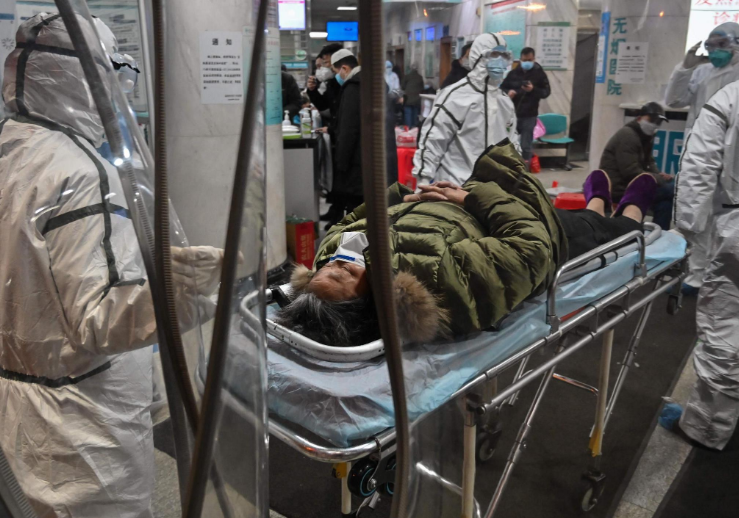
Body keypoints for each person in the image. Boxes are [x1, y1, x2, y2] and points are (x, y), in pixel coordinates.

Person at [0, 14, 223, 517]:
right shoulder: (80, 172)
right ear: (83, 79)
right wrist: (188, 290)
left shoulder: (12, 145)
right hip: (80, 427)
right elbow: (97, 320)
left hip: (19, 407)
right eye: (113, 75)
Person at [276, 141, 657, 345]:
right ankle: (630, 212)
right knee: (595, 228)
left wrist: (402, 198)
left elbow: (349, 222)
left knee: (585, 216)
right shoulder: (440, 284)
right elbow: (531, 246)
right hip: (519, 221)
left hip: (460, 204)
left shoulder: (331, 253)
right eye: (342, 276)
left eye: (325, 270)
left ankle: (597, 201)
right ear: (368, 306)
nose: (336, 263)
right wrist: (472, 200)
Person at [669, 80, 739, 450]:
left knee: (726, 327)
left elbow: (699, 167)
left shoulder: (731, 98)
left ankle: (705, 427)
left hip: (736, 228)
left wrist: (684, 234)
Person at [665, 22, 739, 294]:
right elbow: (674, 100)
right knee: (698, 215)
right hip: (700, 153)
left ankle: (722, 277)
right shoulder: (702, 72)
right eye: (710, 45)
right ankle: (696, 275)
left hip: (733, 157)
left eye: (722, 45)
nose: (715, 51)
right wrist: (684, 68)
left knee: (728, 217)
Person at [412, 33, 520, 185]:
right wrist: (422, 180)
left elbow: (513, 144)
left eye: (504, 56)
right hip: (455, 186)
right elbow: (433, 140)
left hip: (494, 189)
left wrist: (517, 175)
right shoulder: (454, 96)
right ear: (478, 56)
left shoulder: (504, 102)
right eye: (494, 55)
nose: (499, 61)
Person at [599, 102, 673, 229]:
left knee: (665, 202)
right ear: (639, 118)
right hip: (618, 188)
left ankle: (658, 234)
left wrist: (659, 174)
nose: (655, 124)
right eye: (652, 120)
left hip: (632, 184)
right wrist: (658, 179)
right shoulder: (628, 135)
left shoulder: (645, 136)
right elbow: (630, 172)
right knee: (671, 190)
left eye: (658, 122)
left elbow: (649, 161)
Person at [500, 47, 551, 162]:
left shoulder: (539, 74)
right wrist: (508, 93)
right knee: (508, 143)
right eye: (524, 60)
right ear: (520, 59)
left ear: (534, 59)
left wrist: (533, 89)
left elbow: (546, 92)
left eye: (529, 60)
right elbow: (502, 89)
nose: (527, 62)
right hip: (512, 114)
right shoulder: (513, 73)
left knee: (525, 146)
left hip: (530, 114)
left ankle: (525, 168)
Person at [330, 49, 364, 217]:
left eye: (336, 72)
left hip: (356, 162)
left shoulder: (352, 88)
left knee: (355, 213)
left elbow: (348, 129)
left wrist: (341, 164)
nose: (337, 76)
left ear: (344, 68)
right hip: (371, 160)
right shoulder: (371, 82)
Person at [307, 42, 344, 122]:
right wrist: (312, 90)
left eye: (326, 63)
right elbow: (323, 105)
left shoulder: (350, 83)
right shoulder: (331, 83)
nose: (323, 67)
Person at [401, 63, 424, 128]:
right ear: (417, 69)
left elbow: (402, 87)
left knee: (408, 114)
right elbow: (422, 88)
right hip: (416, 99)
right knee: (415, 114)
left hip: (408, 98)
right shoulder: (420, 77)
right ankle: (414, 128)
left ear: (410, 69)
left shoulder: (407, 76)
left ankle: (408, 128)